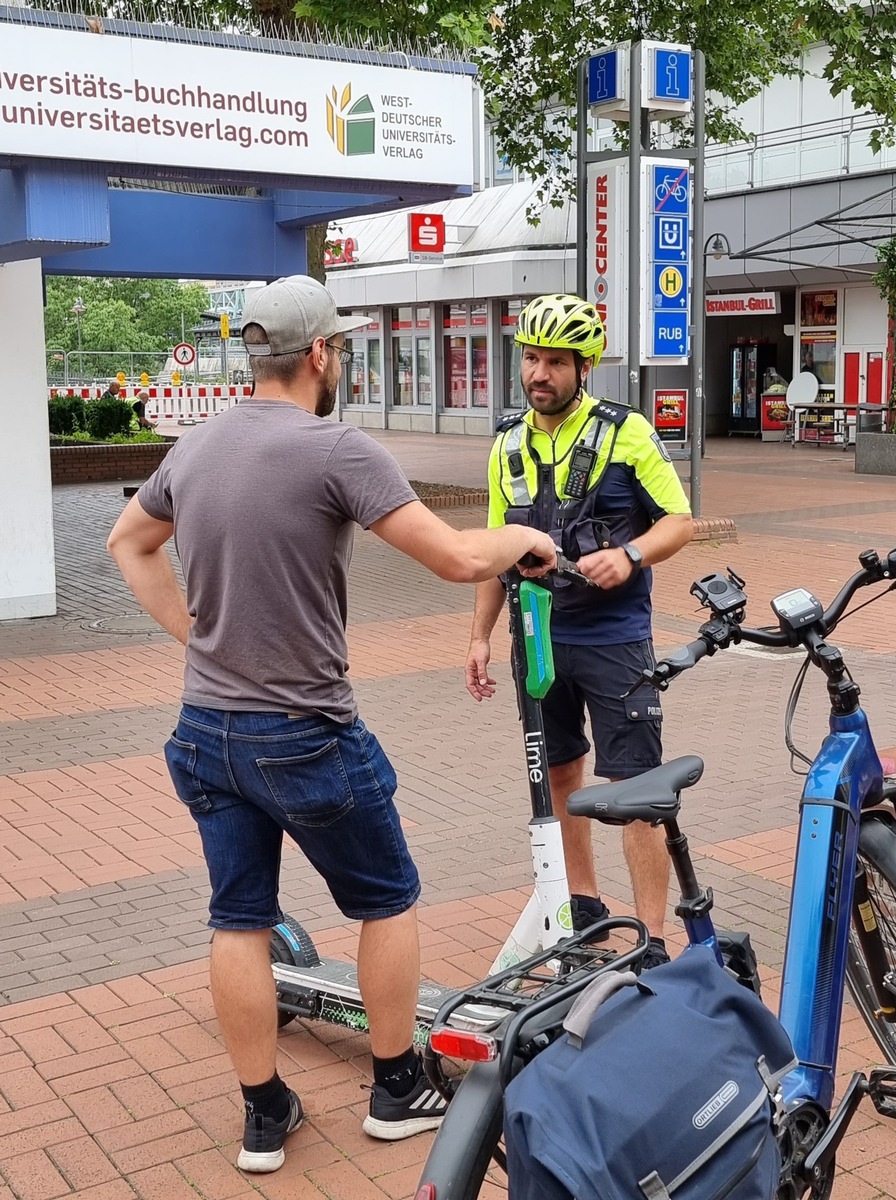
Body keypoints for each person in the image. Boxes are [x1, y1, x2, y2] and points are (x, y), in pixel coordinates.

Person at [106, 274, 556, 1173]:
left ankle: (263, 1116)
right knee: (387, 899)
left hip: (205, 729)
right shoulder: (336, 448)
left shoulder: (194, 447)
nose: (340, 359)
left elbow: (128, 542)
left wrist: (196, 635)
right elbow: (453, 557)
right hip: (305, 731)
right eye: (341, 347)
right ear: (319, 354)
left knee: (238, 919)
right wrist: (521, 542)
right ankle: (396, 1089)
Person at [465, 294, 693, 968]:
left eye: (554, 362)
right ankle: (584, 912)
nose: (539, 373)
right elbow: (493, 547)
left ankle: (651, 940)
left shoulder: (627, 431)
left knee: (635, 789)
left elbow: (677, 521)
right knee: (559, 774)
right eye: (531, 358)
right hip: (534, 636)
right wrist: (479, 636)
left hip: (614, 639)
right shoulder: (506, 440)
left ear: (584, 364)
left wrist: (629, 555)